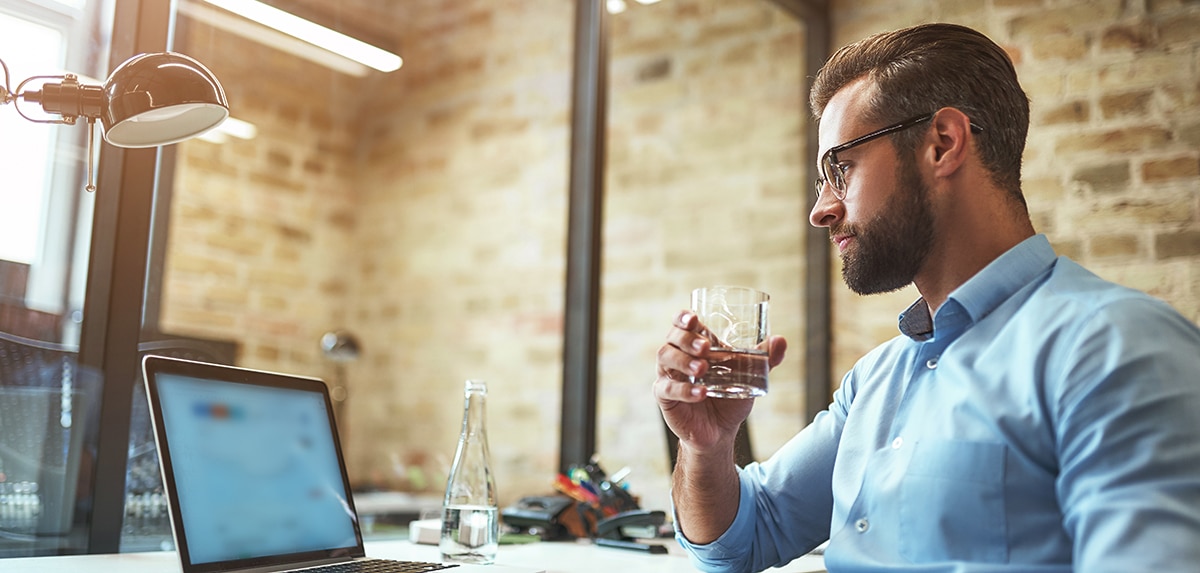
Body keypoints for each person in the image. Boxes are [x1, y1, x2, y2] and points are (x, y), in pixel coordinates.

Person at [654, 22, 1200, 573]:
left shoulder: (1119, 349)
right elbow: (743, 540)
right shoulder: (877, 380)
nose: (820, 209)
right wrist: (707, 447)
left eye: (839, 169)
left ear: (942, 144)